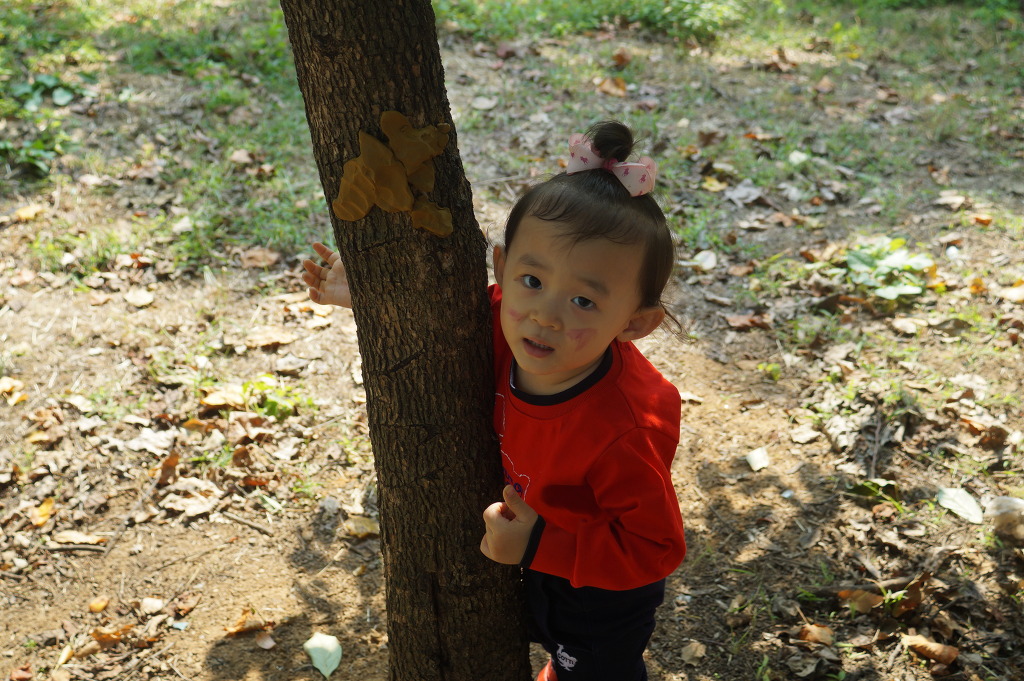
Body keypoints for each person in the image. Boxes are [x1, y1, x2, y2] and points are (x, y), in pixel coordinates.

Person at [302, 121, 686, 681]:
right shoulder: (501, 326)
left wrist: (539, 545)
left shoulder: (622, 431)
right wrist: (363, 294)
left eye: (583, 299)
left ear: (635, 323)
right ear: (503, 269)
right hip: (526, 549)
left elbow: (654, 548)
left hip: (596, 590)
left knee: (589, 667)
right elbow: (432, 317)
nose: (545, 314)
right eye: (532, 280)